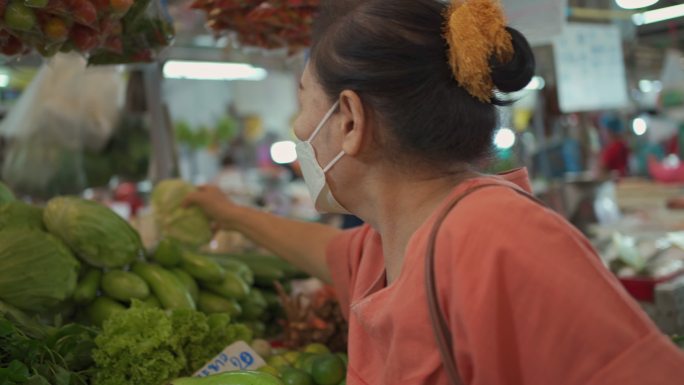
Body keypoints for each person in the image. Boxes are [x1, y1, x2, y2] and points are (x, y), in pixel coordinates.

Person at [185, 0, 684, 384]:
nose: (297, 128)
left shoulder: (498, 239)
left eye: (303, 102)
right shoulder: (396, 237)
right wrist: (227, 213)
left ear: (352, 121)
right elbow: (333, 253)